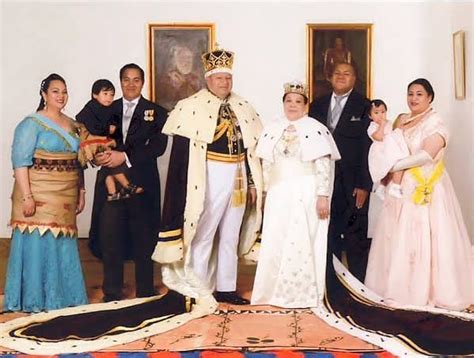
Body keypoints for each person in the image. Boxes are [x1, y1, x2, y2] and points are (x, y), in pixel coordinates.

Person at [152, 48, 263, 305]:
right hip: (209, 175)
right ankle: (198, 288)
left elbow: (250, 149)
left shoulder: (243, 106)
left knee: (231, 233)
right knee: (203, 232)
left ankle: (226, 288)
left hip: (238, 177)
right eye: (219, 78)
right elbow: (182, 157)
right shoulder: (191, 106)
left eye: (228, 78)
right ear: (208, 79)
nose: (224, 82)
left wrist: (251, 181)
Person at [366, 78, 472, 310]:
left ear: (430, 98)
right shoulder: (402, 120)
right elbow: (388, 145)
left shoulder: (436, 123)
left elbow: (427, 155)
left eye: (419, 94)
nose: (413, 98)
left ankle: (426, 290)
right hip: (401, 188)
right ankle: (396, 287)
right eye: (410, 94)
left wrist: (395, 166)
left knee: (424, 236)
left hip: (427, 188)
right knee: (397, 236)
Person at [251, 81, 340, 308]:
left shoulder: (316, 129)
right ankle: (272, 292)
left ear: (305, 105)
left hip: (306, 190)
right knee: (276, 238)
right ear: (283, 103)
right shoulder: (272, 128)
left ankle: (301, 294)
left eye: (298, 101)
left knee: (301, 238)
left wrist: (323, 195)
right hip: (279, 191)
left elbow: (323, 166)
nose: (293, 105)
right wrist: (264, 192)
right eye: (288, 101)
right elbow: (267, 164)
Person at [4, 73, 88, 312]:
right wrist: (27, 197)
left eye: (64, 91)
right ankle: (35, 300)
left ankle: (64, 298)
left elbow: (79, 161)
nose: (61, 96)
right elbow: (20, 161)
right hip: (37, 194)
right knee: (38, 241)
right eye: (55, 91)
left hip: (65, 194)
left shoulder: (74, 125)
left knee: (62, 243)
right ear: (44, 95)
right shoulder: (31, 124)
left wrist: (81, 191)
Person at [92, 64, 168, 302]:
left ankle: (145, 290)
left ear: (143, 83)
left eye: (136, 80)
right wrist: (99, 155)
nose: (131, 84)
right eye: (126, 80)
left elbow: (158, 147)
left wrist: (123, 156)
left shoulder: (156, 112)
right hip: (111, 182)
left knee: (144, 238)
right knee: (110, 236)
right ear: (120, 82)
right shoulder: (105, 108)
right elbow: (91, 138)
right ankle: (112, 292)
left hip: (142, 183)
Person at [308, 62, 372, 282]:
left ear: (355, 78)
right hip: (325, 182)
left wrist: (364, 185)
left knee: (355, 235)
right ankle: (329, 284)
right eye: (337, 73)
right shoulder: (317, 105)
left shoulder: (365, 106)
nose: (342, 77)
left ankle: (358, 285)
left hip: (353, 182)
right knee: (327, 233)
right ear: (330, 77)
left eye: (347, 73)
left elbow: (368, 147)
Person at [76, 79, 144, 201]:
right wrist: (107, 129)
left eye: (112, 95)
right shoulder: (91, 108)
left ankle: (112, 192)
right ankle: (127, 185)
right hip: (92, 142)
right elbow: (89, 124)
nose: (109, 98)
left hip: (104, 141)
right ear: (95, 94)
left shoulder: (110, 108)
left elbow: (116, 128)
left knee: (107, 165)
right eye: (105, 94)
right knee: (110, 163)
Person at [366, 99, 409, 199]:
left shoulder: (389, 123)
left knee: (395, 165)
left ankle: (387, 187)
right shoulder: (372, 127)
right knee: (386, 169)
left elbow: (393, 133)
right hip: (380, 151)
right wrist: (381, 125)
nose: (380, 115)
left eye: (383, 112)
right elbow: (379, 137)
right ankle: (389, 186)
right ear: (370, 116)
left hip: (389, 149)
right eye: (376, 113)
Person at [155, 44, 204, 111]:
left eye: (189, 58)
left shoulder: (196, 79)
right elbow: (164, 103)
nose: (187, 61)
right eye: (183, 58)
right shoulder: (167, 80)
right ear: (175, 61)